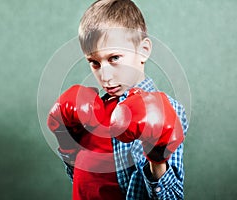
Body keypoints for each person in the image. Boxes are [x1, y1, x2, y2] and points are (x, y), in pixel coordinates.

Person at [47, 0, 189, 199]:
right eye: (94, 63)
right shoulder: (90, 111)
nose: (105, 76)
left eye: (114, 58)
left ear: (144, 50)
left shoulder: (165, 110)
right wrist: (67, 142)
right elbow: (82, 182)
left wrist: (157, 159)